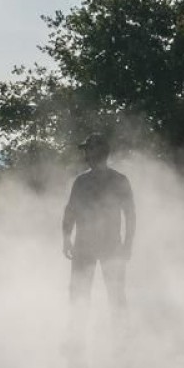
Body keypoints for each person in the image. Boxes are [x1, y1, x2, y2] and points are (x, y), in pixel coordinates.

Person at [62, 135, 135, 338]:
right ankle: (77, 336)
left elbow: (130, 215)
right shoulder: (84, 180)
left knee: (112, 293)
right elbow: (71, 210)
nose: (85, 154)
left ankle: (120, 338)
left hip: (105, 244)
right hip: (89, 245)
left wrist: (128, 244)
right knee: (81, 293)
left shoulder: (113, 180)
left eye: (88, 150)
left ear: (96, 152)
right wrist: (66, 236)